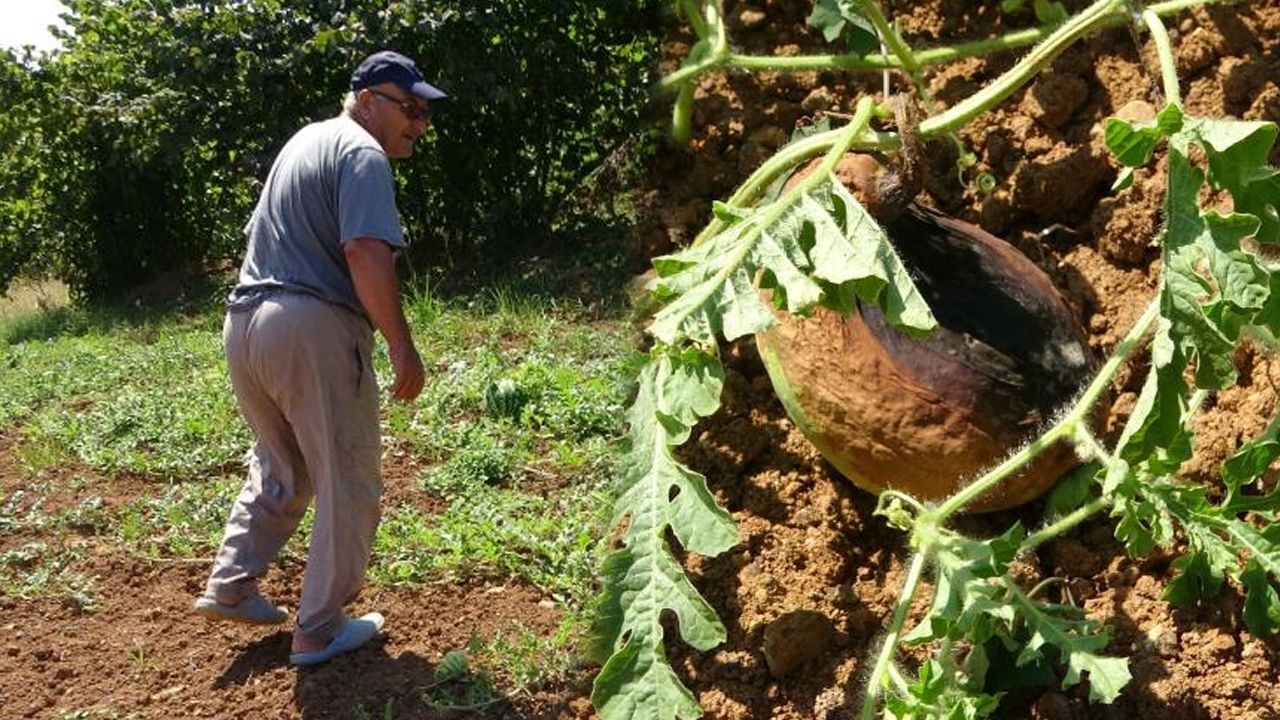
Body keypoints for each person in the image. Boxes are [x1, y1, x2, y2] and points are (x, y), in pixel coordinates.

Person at [192, 50, 444, 667]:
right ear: (366, 101)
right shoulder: (361, 152)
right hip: (310, 324)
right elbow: (363, 249)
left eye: (425, 113)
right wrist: (400, 342)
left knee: (286, 464)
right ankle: (321, 628)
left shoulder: (305, 142)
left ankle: (231, 584)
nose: (420, 122)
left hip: (246, 324)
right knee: (346, 475)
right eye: (409, 108)